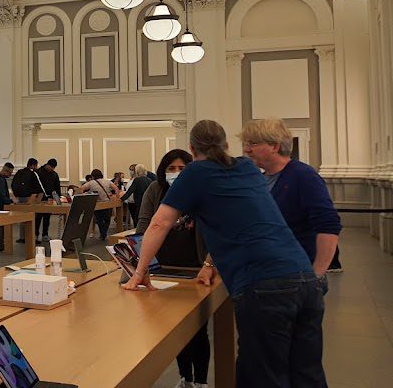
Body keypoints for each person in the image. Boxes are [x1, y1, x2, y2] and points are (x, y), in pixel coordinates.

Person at [125, 120, 325, 387]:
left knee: (263, 376)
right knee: (307, 373)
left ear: (192, 148)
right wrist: (210, 262)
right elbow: (243, 219)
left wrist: (140, 271)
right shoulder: (247, 167)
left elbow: (159, 223)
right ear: (227, 145)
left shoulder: (195, 173)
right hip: (304, 277)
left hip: (263, 284)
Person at [136, 149, 208, 388]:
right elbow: (144, 226)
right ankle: (186, 378)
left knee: (198, 331)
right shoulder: (154, 190)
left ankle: (201, 381)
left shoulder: (201, 190)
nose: (176, 173)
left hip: (195, 268)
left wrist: (209, 263)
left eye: (182, 169)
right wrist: (142, 264)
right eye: (171, 169)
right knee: (175, 328)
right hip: (163, 268)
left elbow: (215, 227)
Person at [240, 119, 342, 281]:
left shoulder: (303, 175)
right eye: (246, 144)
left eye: (253, 143)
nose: (246, 150)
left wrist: (315, 276)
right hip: (266, 272)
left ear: (274, 146)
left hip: (295, 274)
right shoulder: (259, 179)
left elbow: (328, 225)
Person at [80, 169, 120, 240]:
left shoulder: (91, 183)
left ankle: (102, 233)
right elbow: (116, 188)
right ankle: (104, 232)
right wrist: (117, 198)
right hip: (108, 203)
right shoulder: (107, 181)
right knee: (107, 219)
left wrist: (84, 196)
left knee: (99, 220)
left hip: (97, 204)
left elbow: (81, 188)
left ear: (93, 176)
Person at [35, 158, 62, 242]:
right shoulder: (38, 172)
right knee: (38, 217)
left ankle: (45, 234)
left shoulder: (54, 174)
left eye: (54, 168)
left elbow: (57, 187)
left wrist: (58, 198)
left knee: (47, 217)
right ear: (48, 165)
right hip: (39, 198)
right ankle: (35, 234)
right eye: (51, 167)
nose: (52, 169)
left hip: (49, 198)